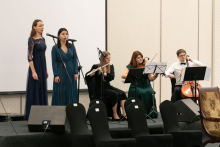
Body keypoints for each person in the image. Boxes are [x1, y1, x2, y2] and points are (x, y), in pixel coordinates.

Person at [86, 51, 127, 121]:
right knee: (114, 94)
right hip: (99, 88)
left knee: (123, 93)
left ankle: (124, 114)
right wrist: (91, 75)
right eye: (107, 58)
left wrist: (104, 74)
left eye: (110, 58)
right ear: (103, 59)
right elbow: (87, 78)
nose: (109, 60)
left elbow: (112, 77)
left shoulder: (110, 66)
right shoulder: (96, 66)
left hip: (107, 86)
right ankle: (115, 114)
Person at [121, 51, 158, 118]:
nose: (141, 59)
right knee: (140, 92)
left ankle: (150, 112)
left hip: (146, 85)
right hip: (136, 85)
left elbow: (151, 78)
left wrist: (156, 75)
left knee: (150, 92)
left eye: (141, 57)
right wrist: (134, 75)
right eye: (138, 58)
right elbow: (123, 75)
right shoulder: (130, 66)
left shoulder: (146, 65)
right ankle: (140, 112)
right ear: (134, 59)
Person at [24, 19, 48, 120]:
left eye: (43, 25)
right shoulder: (31, 40)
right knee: (35, 90)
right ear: (34, 27)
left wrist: (45, 70)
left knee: (42, 89)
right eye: (40, 26)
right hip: (36, 66)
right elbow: (29, 57)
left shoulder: (43, 39)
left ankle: (42, 115)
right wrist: (33, 72)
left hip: (42, 66)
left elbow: (44, 55)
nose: (42, 27)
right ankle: (34, 116)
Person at [51, 28, 78, 105]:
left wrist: (76, 72)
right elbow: (54, 62)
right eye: (63, 34)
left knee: (71, 91)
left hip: (71, 71)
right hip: (60, 71)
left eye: (66, 34)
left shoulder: (72, 46)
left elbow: (75, 59)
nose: (65, 35)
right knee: (60, 92)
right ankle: (59, 113)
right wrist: (56, 75)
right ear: (58, 35)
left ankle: (71, 112)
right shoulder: (55, 48)